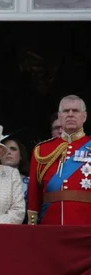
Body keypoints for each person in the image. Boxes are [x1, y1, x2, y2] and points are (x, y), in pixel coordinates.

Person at [28, 95, 91, 225]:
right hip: (50, 223)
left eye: (75, 111)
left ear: (84, 117)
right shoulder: (42, 150)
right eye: (66, 111)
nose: (70, 114)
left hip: (86, 223)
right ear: (59, 116)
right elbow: (35, 193)